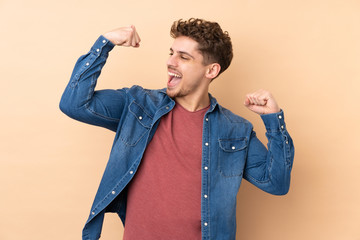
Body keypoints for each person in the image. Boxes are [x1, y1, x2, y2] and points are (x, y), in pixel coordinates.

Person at [60, 18, 294, 240]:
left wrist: (273, 120)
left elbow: (276, 183)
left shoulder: (234, 129)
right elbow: (74, 104)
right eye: (171, 53)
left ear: (211, 71)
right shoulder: (139, 105)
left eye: (183, 57)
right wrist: (105, 42)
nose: (170, 62)